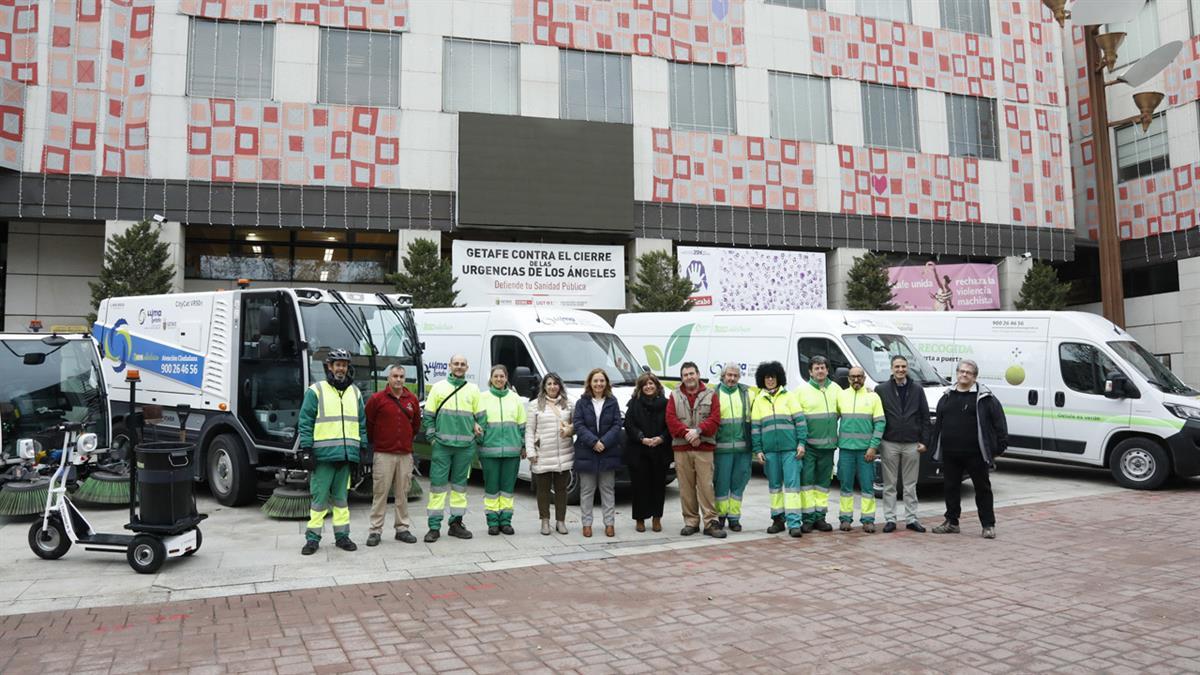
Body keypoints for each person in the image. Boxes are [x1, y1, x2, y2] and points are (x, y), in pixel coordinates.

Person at [298, 349, 367, 555]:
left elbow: (361, 424)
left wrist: (362, 450)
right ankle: (312, 539)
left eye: (344, 365)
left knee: (341, 500)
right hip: (323, 457)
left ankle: (342, 537)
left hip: (346, 457)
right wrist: (307, 450)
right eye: (337, 364)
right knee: (319, 501)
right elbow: (305, 422)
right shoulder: (316, 391)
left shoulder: (355, 392)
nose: (341, 368)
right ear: (329, 366)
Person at [930, 359, 1007, 539]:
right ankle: (952, 522)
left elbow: (999, 423)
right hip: (950, 453)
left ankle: (988, 525)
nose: (964, 375)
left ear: (975, 377)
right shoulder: (947, 396)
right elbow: (939, 424)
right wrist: (935, 446)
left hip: (976, 454)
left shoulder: (985, 398)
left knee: (982, 489)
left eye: (968, 372)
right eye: (961, 371)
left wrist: (999, 447)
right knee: (950, 488)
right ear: (956, 373)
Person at [422, 354, 481, 543]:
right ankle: (434, 527)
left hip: (465, 448)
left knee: (460, 488)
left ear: (467, 367)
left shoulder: (473, 389)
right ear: (449, 366)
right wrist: (432, 438)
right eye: (456, 364)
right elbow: (428, 415)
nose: (459, 367)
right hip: (442, 447)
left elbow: (481, 417)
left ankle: (456, 524)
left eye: (462, 364)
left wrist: (475, 436)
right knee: (437, 488)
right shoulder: (439, 387)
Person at [364, 364, 421, 546]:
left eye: (401, 376)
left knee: (402, 493)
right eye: (395, 376)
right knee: (380, 493)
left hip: (405, 454)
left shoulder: (411, 399)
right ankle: (375, 530)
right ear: (388, 378)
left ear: (405, 379)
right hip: (383, 454)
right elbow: (369, 424)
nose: (398, 379)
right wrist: (379, 442)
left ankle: (402, 528)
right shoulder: (377, 399)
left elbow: (416, 425)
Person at [666, 362, 726, 538]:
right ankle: (691, 522)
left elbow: (715, 419)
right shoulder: (674, 396)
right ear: (682, 378)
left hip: (704, 447)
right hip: (681, 448)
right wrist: (688, 434)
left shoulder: (710, 394)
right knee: (685, 487)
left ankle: (710, 523)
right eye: (685, 375)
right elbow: (671, 419)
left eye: (692, 373)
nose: (689, 377)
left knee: (706, 486)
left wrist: (699, 431)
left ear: (698, 374)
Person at [750, 361, 807, 537]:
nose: (770, 380)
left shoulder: (789, 397)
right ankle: (777, 520)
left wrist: (801, 443)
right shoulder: (759, 400)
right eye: (767, 377)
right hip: (770, 453)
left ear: (778, 378)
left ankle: (794, 523)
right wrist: (758, 449)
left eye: (773, 377)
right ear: (762, 379)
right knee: (774, 487)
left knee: (792, 487)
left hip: (790, 450)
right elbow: (755, 428)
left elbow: (800, 422)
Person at [876, 355, 931, 533]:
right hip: (889, 442)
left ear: (907, 368)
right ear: (891, 369)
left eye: (903, 366)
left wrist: (924, 441)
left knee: (910, 484)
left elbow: (924, 417)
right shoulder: (881, 389)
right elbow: (876, 416)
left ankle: (911, 519)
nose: (900, 370)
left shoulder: (917, 389)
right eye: (897, 366)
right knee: (890, 484)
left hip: (911, 443)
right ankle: (890, 519)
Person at [573, 368, 623, 538]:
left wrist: (604, 442)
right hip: (587, 451)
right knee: (587, 490)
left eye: (602, 381)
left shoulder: (612, 401)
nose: (599, 384)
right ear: (590, 383)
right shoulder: (582, 403)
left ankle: (609, 524)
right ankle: (587, 524)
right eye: (596, 381)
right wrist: (594, 442)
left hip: (608, 452)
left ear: (606, 383)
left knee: (607, 489)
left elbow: (617, 425)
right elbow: (578, 425)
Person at [477, 365, 527, 536]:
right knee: (491, 489)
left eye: (502, 376)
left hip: (512, 452)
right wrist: (479, 440)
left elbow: (522, 425)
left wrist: (524, 446)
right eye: (496, 376)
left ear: (506, 378)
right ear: (491, 378)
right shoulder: (482, 398)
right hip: (489, 451)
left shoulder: (515, 399)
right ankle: (492, 522)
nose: (499, 379)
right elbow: (476, 423)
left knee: (507, 489)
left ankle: (505, 521)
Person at [835, 367, 885, 532]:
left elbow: (880, 423)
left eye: (859, 377)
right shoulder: (841, 395)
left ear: (864, 378)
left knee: (867, 487)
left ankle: (868, 519)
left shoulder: (873, 397)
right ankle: (845, 519)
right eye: (852, 377)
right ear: (848, 379)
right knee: (845, 486)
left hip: (866, 452)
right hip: (846, 450)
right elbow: (831, 419)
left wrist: (873, 447)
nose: (856, 380)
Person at [795, 356, 841, 533]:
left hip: (828, 448)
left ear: (827, 370)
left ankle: (820, 517)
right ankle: (807, 519)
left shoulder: (836, 389)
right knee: (807, 484)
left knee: (823, 485)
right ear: (810, 372)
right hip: (809, 447)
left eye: (823, 367)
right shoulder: (801, 391)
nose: (820, 371)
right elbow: (796, 420)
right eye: (816, 368)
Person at [525, 372, 574, 536]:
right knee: (543, 490)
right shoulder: (535, 405)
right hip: (542, 453)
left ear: (560, 386)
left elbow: (576, 426)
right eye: (549, 384)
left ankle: (561, 521)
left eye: (555, 384)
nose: (552, 387)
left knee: (562, 490)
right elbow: (530, 430)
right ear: (544, 387)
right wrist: (530, 451)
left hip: (563, 453)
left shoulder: (569, 405)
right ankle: (545, 520)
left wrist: (570, 429)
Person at [623, 372, 672, 533]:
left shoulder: (666, 404)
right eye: (645, 384)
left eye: (652, 384)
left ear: (657, 386)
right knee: (640, 487)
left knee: (658, 486)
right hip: (639, 452)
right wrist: (641, 438)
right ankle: (640, 519)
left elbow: (670, 425)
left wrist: (661, 438)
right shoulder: (634, 404)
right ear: (641, 387)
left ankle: (657, 518)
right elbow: (629, 425)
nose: (649, 387)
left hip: (660, 452)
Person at [713, 363, 753, 532]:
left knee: (739, 484)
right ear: (723, 376)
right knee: (721, 484)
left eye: (735, 376)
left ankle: (734, 518)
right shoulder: (714, 394)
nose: (732, 379)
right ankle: (721, 516)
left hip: (743, 449)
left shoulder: (746, 393)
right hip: (721, 449)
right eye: (729, 375)